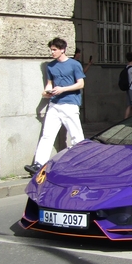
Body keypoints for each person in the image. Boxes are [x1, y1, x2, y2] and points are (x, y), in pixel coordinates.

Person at [24, 38, 86, 175]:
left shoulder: (74, 64)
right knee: (47, 135)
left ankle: (82, 163)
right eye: (51, 49)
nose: (52, 52)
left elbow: (80, 84)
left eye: (54, 50)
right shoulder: (51, 66)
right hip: (54, 104)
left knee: (76, 135)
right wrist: (47, 92)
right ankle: (39, 164)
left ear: (62, 50)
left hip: (70, 104)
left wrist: (63, 89)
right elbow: (50, 83)